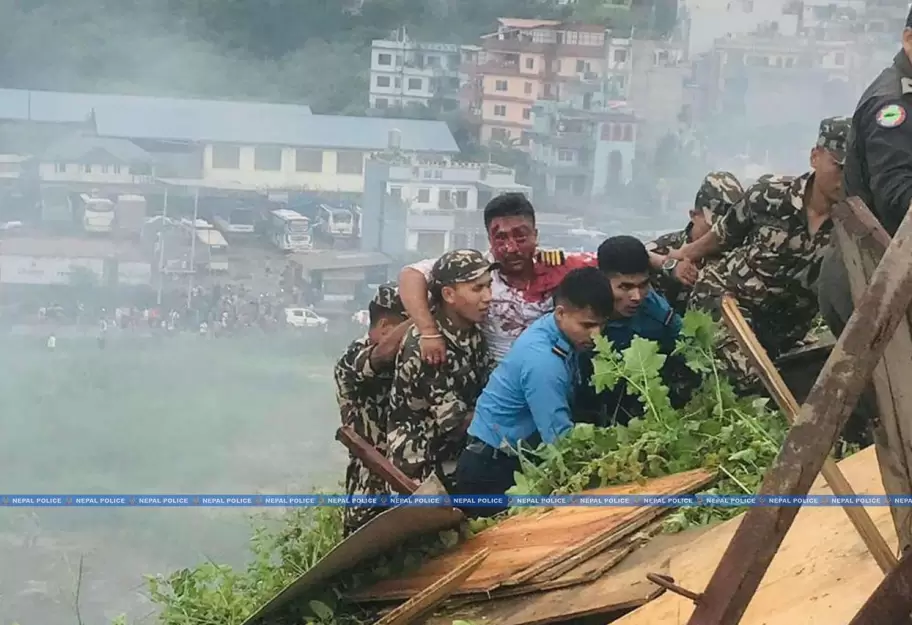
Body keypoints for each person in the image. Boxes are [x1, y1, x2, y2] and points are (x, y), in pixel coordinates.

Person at [399, 193, 698, 367]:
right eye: (500, 237)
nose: (511, 248)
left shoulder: (559, 266)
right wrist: (428, 332)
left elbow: (616, 256)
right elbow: (411, 275)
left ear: (536, 235)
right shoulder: (476, 273)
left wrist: (667, 263)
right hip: (498, 374)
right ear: (489, 238)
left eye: (520, 235)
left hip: (557, 368)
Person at [818, 10, 912, 554]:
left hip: (891, 276)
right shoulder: (891, 107)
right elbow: (899, 198)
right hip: (867, 284)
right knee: (899, 409)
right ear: (907, 39)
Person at [672, 117, 850, 391]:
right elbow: (724, 234)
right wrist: (685, 254)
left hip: (783, 330)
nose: (844, 178)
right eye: (838, 166)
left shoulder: (854, 225)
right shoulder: (770, 195)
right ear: (815, 157)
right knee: (751, 384)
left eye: (852, 170)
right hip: (726, 301)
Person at [452, 267, 615, 515]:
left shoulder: (556, 332)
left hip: (507, 458)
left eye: (601, 326)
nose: (597, 335)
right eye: (588, 325)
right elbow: (560, 442)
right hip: (491, 472)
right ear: (560, 313)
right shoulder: (543, 362)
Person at [386, 249, 495, 487]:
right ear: (448, 294)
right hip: (420, 473)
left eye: (489, 286)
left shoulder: (472, 333)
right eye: (477, 289)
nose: (488, 297)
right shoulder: (425, 347)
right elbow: (456, 424)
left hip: (455, 460)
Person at [575, 236, 685, 425]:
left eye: (643, 285)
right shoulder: (577, 311)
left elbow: (687, 347)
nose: (636, 297)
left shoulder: (659, 315)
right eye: (625, 287)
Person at [334, 283, 410, 537]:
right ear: (386, 327)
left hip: (406, 475)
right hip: (370, 483)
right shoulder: (352, 358)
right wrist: (425, 318)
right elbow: (379, 357)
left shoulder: (409, 358)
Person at [646, 171, 745, 316]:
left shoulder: (741, 255)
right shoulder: (665, 247)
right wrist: (669, 265)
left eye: (727, 230)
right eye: (713, 227)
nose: (718, 235)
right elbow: (623, 253)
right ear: (693, 215)